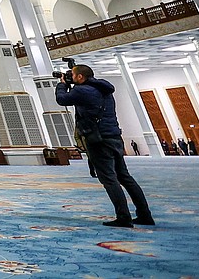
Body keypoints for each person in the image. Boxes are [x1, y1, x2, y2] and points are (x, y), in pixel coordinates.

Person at [56, 64, 153, 228]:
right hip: (114, 136)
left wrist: (62, 85)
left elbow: (62, 99)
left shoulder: (81, 91)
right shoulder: (104, 90)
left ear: (80, 77)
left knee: (109, 178)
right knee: (124, 177)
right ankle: (144, 215)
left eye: (72, 75)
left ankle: (123, 217)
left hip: (98, 139)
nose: (70, 77)